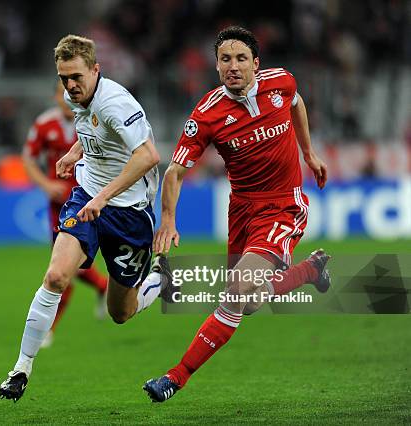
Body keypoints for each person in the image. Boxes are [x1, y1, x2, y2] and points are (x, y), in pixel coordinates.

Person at [142, 26, 332, 402]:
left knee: (236, 289)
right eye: (225, 59)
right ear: (216, 66)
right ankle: (310, 271)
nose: (233, 66)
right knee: (249, 300)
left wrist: (308, 152)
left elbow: (297, 104)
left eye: (241, 58)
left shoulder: (281, 82)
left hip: (283, 205)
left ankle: (174, 378)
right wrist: (167, 219)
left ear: (255, 63)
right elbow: (175, 171)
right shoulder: (207, 114)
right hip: (242, 209)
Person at [0, 34, 163, 402]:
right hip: (86, 196)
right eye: (63, 79)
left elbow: (149, 156)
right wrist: (76, 152)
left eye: (76, 77)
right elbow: (94, 129)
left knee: (121, 312)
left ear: (95, 70)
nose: (70, 86)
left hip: (129, 214)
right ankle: (21, 369)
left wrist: (105, 197)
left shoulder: (115, 103)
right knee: (56, 275)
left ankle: (157, 282)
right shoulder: (80, 98)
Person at [22, 81, 109, 347]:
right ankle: (104, 287)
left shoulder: (95, 118)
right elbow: (27, 158)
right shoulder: (44, 124)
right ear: (55, 97)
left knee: (65, 268)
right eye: (61, 94)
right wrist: (46, 184)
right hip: (59, 205)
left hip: (89, 200)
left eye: (69, 93)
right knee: (66, 267)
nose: (66, 99)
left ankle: (48, 328)